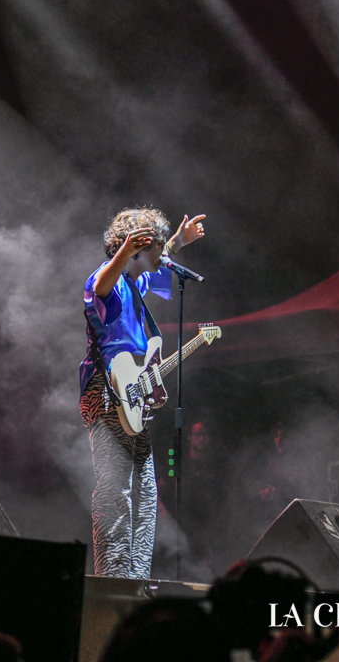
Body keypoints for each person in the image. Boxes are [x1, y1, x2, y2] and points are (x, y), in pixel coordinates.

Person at [79, 207, 205, 578]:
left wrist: (179, 242)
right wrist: (123, 253)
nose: (163, 253)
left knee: (146, 494)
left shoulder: (136, 284)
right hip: (105, 393)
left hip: (129, 397)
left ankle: (134, 578)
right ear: (136, 246)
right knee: (116, 490)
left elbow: (156, 261)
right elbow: (101, 285)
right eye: (156, 245)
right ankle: (114, 579)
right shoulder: (107, 280)